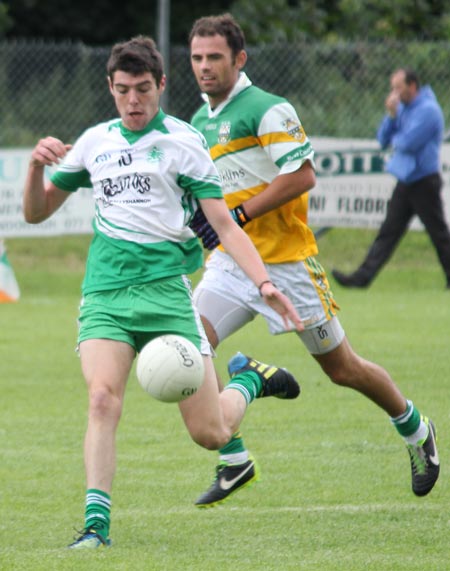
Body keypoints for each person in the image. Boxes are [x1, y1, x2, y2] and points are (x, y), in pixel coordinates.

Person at [22, 36, 304, 549]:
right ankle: (95, 527)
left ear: (162, 86)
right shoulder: (94, 142)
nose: (134, 101)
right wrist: (35, 167)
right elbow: (36, 212)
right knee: (103, 400)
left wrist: (264, 283)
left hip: (169, 298)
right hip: (106, 294)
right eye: (124, 90)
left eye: (144, 90)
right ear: (110, 87)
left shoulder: (183, 142)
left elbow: (225, 225)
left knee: (211, 434)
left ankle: (249, 380)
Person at [187, 14, 440, 508]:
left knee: (343, 369)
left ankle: (415, 428)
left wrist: (240, 212)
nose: (205, 67)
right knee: (191, 344)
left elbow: (302, 176)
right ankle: (234, 456)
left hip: (288, 266)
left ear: (239, 59)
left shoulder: (267, 109)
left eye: (214, 57)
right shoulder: (199, 121)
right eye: (196, 58)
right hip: (230, 265)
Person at [332, 68, 450, 288]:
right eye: (392, 88)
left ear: (412, 86)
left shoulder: (428, 111)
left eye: (398, 87)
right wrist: (392, 116)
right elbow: (382, 139)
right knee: (388, 233)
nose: (394, 93)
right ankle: (361, 279)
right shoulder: (402, 109)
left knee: (439, 234)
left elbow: (406, 143)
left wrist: (396, 134)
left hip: (424, 182)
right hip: (406, 181)